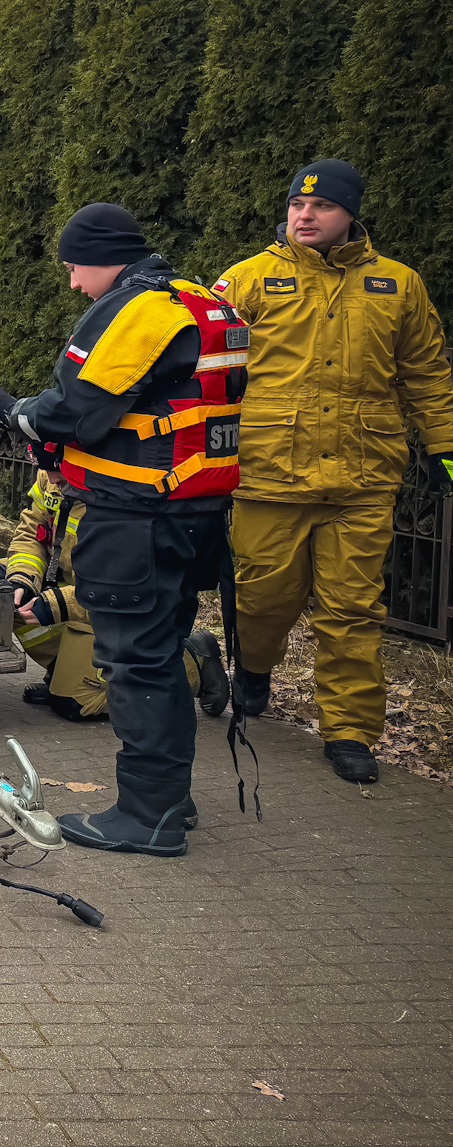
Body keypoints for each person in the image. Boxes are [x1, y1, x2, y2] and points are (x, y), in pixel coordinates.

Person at [0, 203, 246, 858]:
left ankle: (146, 815)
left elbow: (76, 410)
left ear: (104, 254)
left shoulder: (139, 310)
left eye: (75, 268)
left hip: (137, 516)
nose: (73, 283)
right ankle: (169, 800)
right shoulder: (203, 303)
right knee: (158, 651)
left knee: (136, 664)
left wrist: (14, 414)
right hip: (196, 511)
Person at [211, 160, 453, 784]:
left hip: (363, 478)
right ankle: (255, 668)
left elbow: (426, 373)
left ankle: (349, 730)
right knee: (263, 597)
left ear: (350, 215)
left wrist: (443, 448)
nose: (304, 216)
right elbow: (207, 369)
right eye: (296, 205)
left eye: (319, 207)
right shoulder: (249, 280)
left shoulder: (397, 285)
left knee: (352, 610)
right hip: (269, 472)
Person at [4, 470, 225, 723]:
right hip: (77, 593)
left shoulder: (117, 486)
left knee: (74, 704)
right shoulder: (51, 466)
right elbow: (30, 532)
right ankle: (61, 671)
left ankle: (195, 663)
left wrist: (55, 603)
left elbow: (123, 588)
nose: (51, 478)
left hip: (123, 610)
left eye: (55, 466)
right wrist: (22, 578)